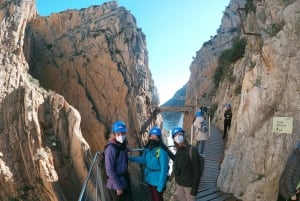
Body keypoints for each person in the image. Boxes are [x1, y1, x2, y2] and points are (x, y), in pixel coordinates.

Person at [129, 127, 169, 201]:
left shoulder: (162, 152)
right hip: (149, 179)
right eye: (151, 137)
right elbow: (142, 159)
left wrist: (160, 186)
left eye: (156, 138)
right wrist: (129, 157)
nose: (153, 139)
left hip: (157, 181)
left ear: (159, 139)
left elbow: (164, 170)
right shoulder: (148, 150)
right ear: (149, 137)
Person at [171, 127, 202, 201]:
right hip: (179, 184)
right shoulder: (178, 150)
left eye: (180, 134)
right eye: (175, 135)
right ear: (173, 139)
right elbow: (177, 161)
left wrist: (194, 190)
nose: (178, 136)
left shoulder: (192, 150)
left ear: (184, 135)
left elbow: (198, 172)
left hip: (189, 186)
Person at [104, 121, 132, 201]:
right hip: (116, 184)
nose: (121, 136)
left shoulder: (121, 145)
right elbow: (109, 170)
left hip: (124, 180)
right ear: (114, 134)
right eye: (118, 134)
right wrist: (118, 186)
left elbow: (123, 150)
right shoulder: (111, 149)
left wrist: (128, 150)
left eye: (123, 134)